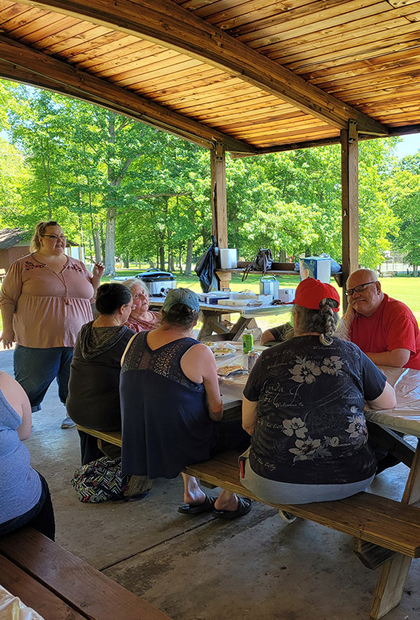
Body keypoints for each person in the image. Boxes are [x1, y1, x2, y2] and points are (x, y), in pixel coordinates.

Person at [240, 278, 396, 506]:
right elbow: (387, 401)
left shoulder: (269, 358)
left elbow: (247, 424)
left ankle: (232, 501)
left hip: (273, 483)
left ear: (295, 317)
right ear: (333, 318)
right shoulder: (352, 353)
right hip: (352, 478)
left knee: (244, 452)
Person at [120, 287, 251, 519]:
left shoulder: (134, 340)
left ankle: (192, 489)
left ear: (161, 314)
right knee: (247, 426)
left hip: (137, 440)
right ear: (197, 319)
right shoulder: (197, 350)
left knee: (178, 407)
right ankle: (227, 498)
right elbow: (216, 410)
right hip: (179, 447)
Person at [0, 221, 104, 429]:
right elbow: (7, 299)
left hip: (77, 338)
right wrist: (8, 329)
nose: (60, 240)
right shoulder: (23, 265)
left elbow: (89, 297)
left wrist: (97, 278)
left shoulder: (77, 264)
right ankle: (15, 420)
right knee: (30, 384)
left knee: (74, 382)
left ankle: (73, 414)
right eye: (54, 236)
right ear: (40, 239)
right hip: (37, 338)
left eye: (62, 236)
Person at [66, 283, 135, 465]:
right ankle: (137, 469)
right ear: (122, 309)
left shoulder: (84, 331)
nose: (130, 310)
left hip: (76, 409)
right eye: (130, 306)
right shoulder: (128, 337)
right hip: (108, 416)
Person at [0, 370, 55, 540]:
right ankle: (46, 551)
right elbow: (24, 433)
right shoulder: (5, 382)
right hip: (16, 508)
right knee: (35, 481)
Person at [340, 268, 420, 369]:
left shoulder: (398, 313)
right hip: (372, 373)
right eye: (350, 292)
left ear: (377, 288)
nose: (355, 295)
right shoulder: (351, 316)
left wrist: (357, 356)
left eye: (361, 288)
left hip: (407, 376)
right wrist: (347, 318)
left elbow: (399, 358)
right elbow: (337, 351)